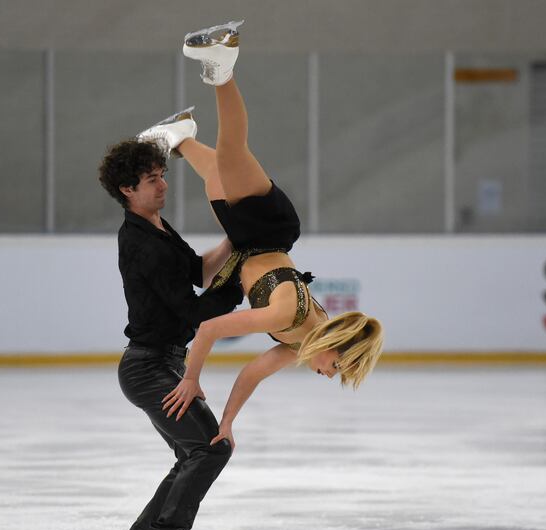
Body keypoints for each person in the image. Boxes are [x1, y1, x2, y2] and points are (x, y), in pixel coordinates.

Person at [140, 21, 384, 450]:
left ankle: (179, 134)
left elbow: (251, 374)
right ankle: (222, 62)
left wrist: (228, 423)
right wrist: (191, 379)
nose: (328, 375)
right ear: (336, 348)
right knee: (233, 152)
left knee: (218, 173)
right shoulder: (287, 315)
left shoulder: (297, 346)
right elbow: (211, 328)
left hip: (246, 242)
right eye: (336, 369)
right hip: (270, 227)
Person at [98, 132, 242, 530]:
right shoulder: (141, 243)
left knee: (192, 452)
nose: (162, 185)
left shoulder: (157, 227)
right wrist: (242, 285)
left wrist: (235, 243)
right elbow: (196, 313)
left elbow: (199, 271)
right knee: (211, 447)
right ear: (127, 190)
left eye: (162, 176)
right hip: (147, 370)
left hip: (161, 364)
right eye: (150, 180)